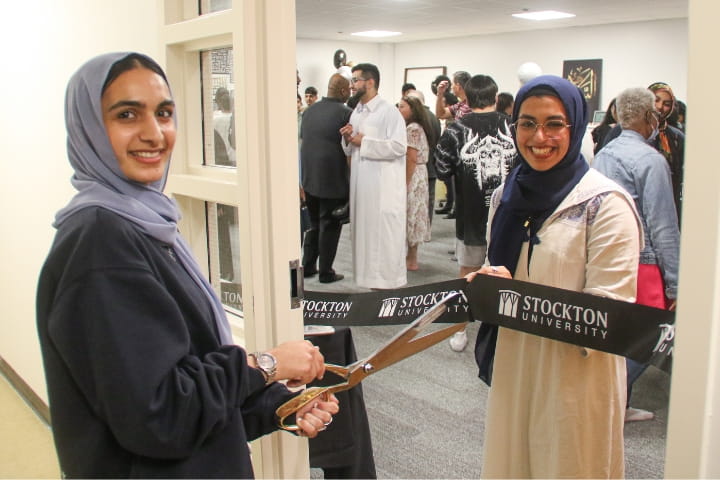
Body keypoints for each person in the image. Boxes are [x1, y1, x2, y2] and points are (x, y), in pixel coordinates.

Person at [36, 52, 339, 478]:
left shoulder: (146, 223)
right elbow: (161, 416)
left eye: (164, 113)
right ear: (88, 127)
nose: (154, 133)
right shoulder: (100, 243)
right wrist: (267, 365)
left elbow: (185, 381)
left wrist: (275, 405)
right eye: (127, 114)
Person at [469, 75, 642, 478]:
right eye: (527, 123)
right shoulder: (506, 196)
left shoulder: (605, 204)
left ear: (576, 127)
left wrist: (521, 298)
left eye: (554, 124)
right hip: (515, 359)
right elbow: (505, 273)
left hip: (575, 373)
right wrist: (489, 286)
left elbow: (609, 313)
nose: (539, 137)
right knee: (514, 462)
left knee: (568, 462)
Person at [593, 87, 680, 423]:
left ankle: (616, 402)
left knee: (618, 335)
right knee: (650, 338)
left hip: (609, 257)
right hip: (643, 263)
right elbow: (663, 227)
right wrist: (676, 283)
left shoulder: (603, 154)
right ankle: (610, 401)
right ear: (648, 117)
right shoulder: (651, 160)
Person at [435, 74, 516, 352]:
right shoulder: (514, 128)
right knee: (511, 273)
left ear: (466, 99)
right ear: (496, 98)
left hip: (470, 217)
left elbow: (442, 168)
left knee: (467, 274)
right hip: (511, 216)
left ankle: (459, 330)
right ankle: (508, 333)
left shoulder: (456, 130)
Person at [340, 63, 407, 290]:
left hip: (382, 189)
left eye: (355, 80)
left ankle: (386, 288)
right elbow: (351, 149)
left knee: (383, 239)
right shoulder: (356, 111)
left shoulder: (389, 112)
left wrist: (363, 142)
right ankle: (368, 284)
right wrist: (348, 138)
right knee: (364, 237)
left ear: (370, 82)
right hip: (362, 187)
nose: (351, 86)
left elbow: (399, 147)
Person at [598, 82, 685, 221]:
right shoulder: (621, 131)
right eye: (656, 100)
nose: (660, 107)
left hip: (667, 203)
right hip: (629, 209)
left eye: (667, 103)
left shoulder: (676, 136)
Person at [301, 73, 352, 283]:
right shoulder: (346, 113)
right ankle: (326, 272)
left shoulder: (308, 111)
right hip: (333, 178)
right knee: (330, 225)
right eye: (349, 89)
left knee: (313, 224)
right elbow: (350, 147)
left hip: (309, 177)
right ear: (342, 91)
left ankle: (309, 266)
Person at [398, 95, 435, 271]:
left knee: (411, 213)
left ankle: (411, 259)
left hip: (414, 175)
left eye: (402, 107)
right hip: (420, 173)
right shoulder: (418, 127)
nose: (399, 110)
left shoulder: (412, 128)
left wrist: (405, 183)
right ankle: (410, 257)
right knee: (414, 213)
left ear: (412, 109)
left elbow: (411, 158)